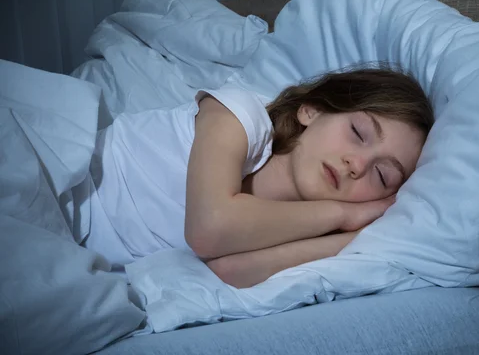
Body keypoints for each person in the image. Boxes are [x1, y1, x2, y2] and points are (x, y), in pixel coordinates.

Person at [76, 66, 434, 288]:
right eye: (357, 132)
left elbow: (229, 271)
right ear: (312, 110)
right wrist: (344, 214)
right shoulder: (239, 114)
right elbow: (209, 231)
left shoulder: (304, 223)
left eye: (382, 175)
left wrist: (354, 237)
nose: (356, 164)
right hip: (66, 187)